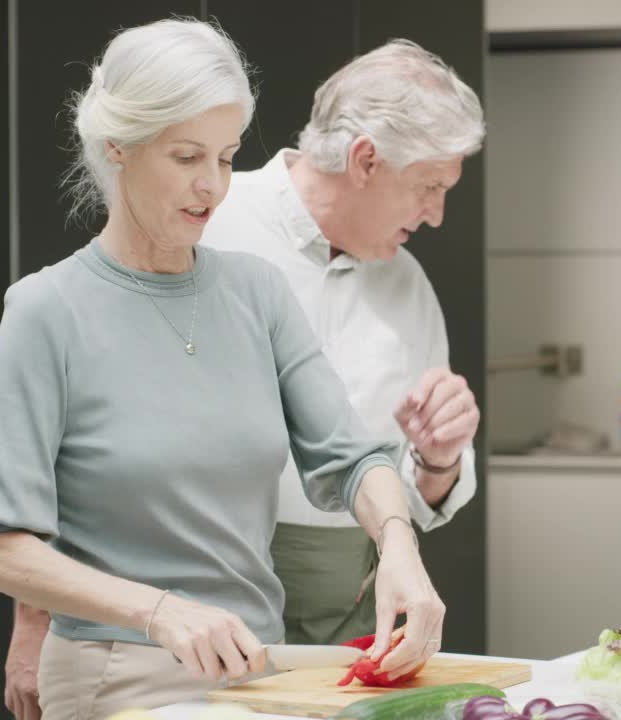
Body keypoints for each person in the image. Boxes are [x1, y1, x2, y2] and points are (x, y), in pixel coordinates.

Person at [0, 18, 444, 720]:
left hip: (256, 675)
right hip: (118, 674)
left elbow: (353, 457)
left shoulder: (256, 293)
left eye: (226, 155)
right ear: (118, 147)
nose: (214, 185)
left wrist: (398, 542)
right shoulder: (46, 311)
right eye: (186, 157)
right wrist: (160, 613)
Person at [200, 38, 485, 646]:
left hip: (351, 617)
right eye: (429, 186)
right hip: (205, 606)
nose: (437, 215)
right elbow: (89, 439)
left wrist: (439, 458)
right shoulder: (210, 226)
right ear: (365, 161)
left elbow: (416, 493)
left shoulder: (409, 287)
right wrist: (36, 621)